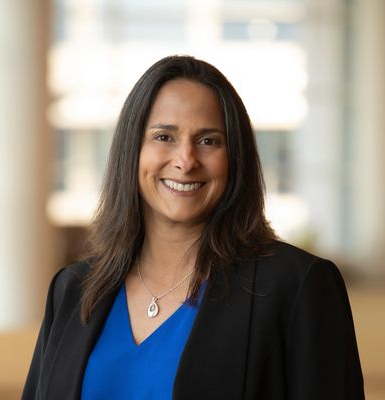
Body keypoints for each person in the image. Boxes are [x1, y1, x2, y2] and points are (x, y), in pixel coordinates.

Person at [22, 55, 364, 400]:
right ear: (132, 151)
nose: (186, 160)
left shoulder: (296, 287)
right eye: (164, 136)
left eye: (208, 141)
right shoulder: (73, 290)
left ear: (235, 158)